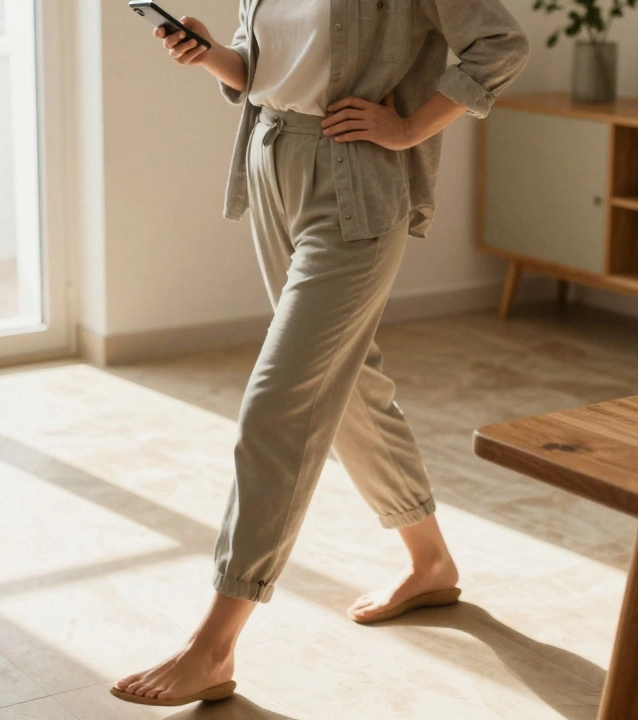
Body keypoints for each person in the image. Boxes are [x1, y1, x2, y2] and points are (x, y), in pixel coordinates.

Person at [113, 0, 529, 707]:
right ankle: (430, 562)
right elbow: (262, 67)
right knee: (349, 381)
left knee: (279, 404)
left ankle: (214, 645)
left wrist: (409, 127)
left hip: (356, 181)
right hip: (271, 160)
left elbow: (501, 44)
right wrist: (211, 55)